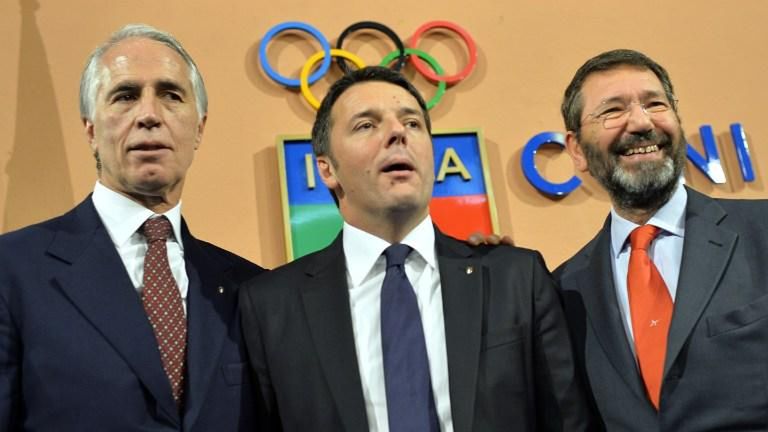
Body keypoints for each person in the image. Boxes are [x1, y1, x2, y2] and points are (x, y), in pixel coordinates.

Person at [240, 66, 591, 431]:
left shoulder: (515, 278)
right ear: (327, 170)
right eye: (366, 125)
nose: (398, 133)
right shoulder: (271, 306)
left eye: (412, 123)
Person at [0, 24, 264, 431]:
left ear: (199, 128)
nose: (149, 115)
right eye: (125, 96)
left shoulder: (252, 289)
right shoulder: (12, 269)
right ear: (90, 129)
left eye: (171, 95)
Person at [555, 48, 768, 431]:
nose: (641, 122)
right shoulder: (564, 290)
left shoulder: (761, 230)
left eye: (655, 104)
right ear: (577, 150)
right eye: (612, 110)